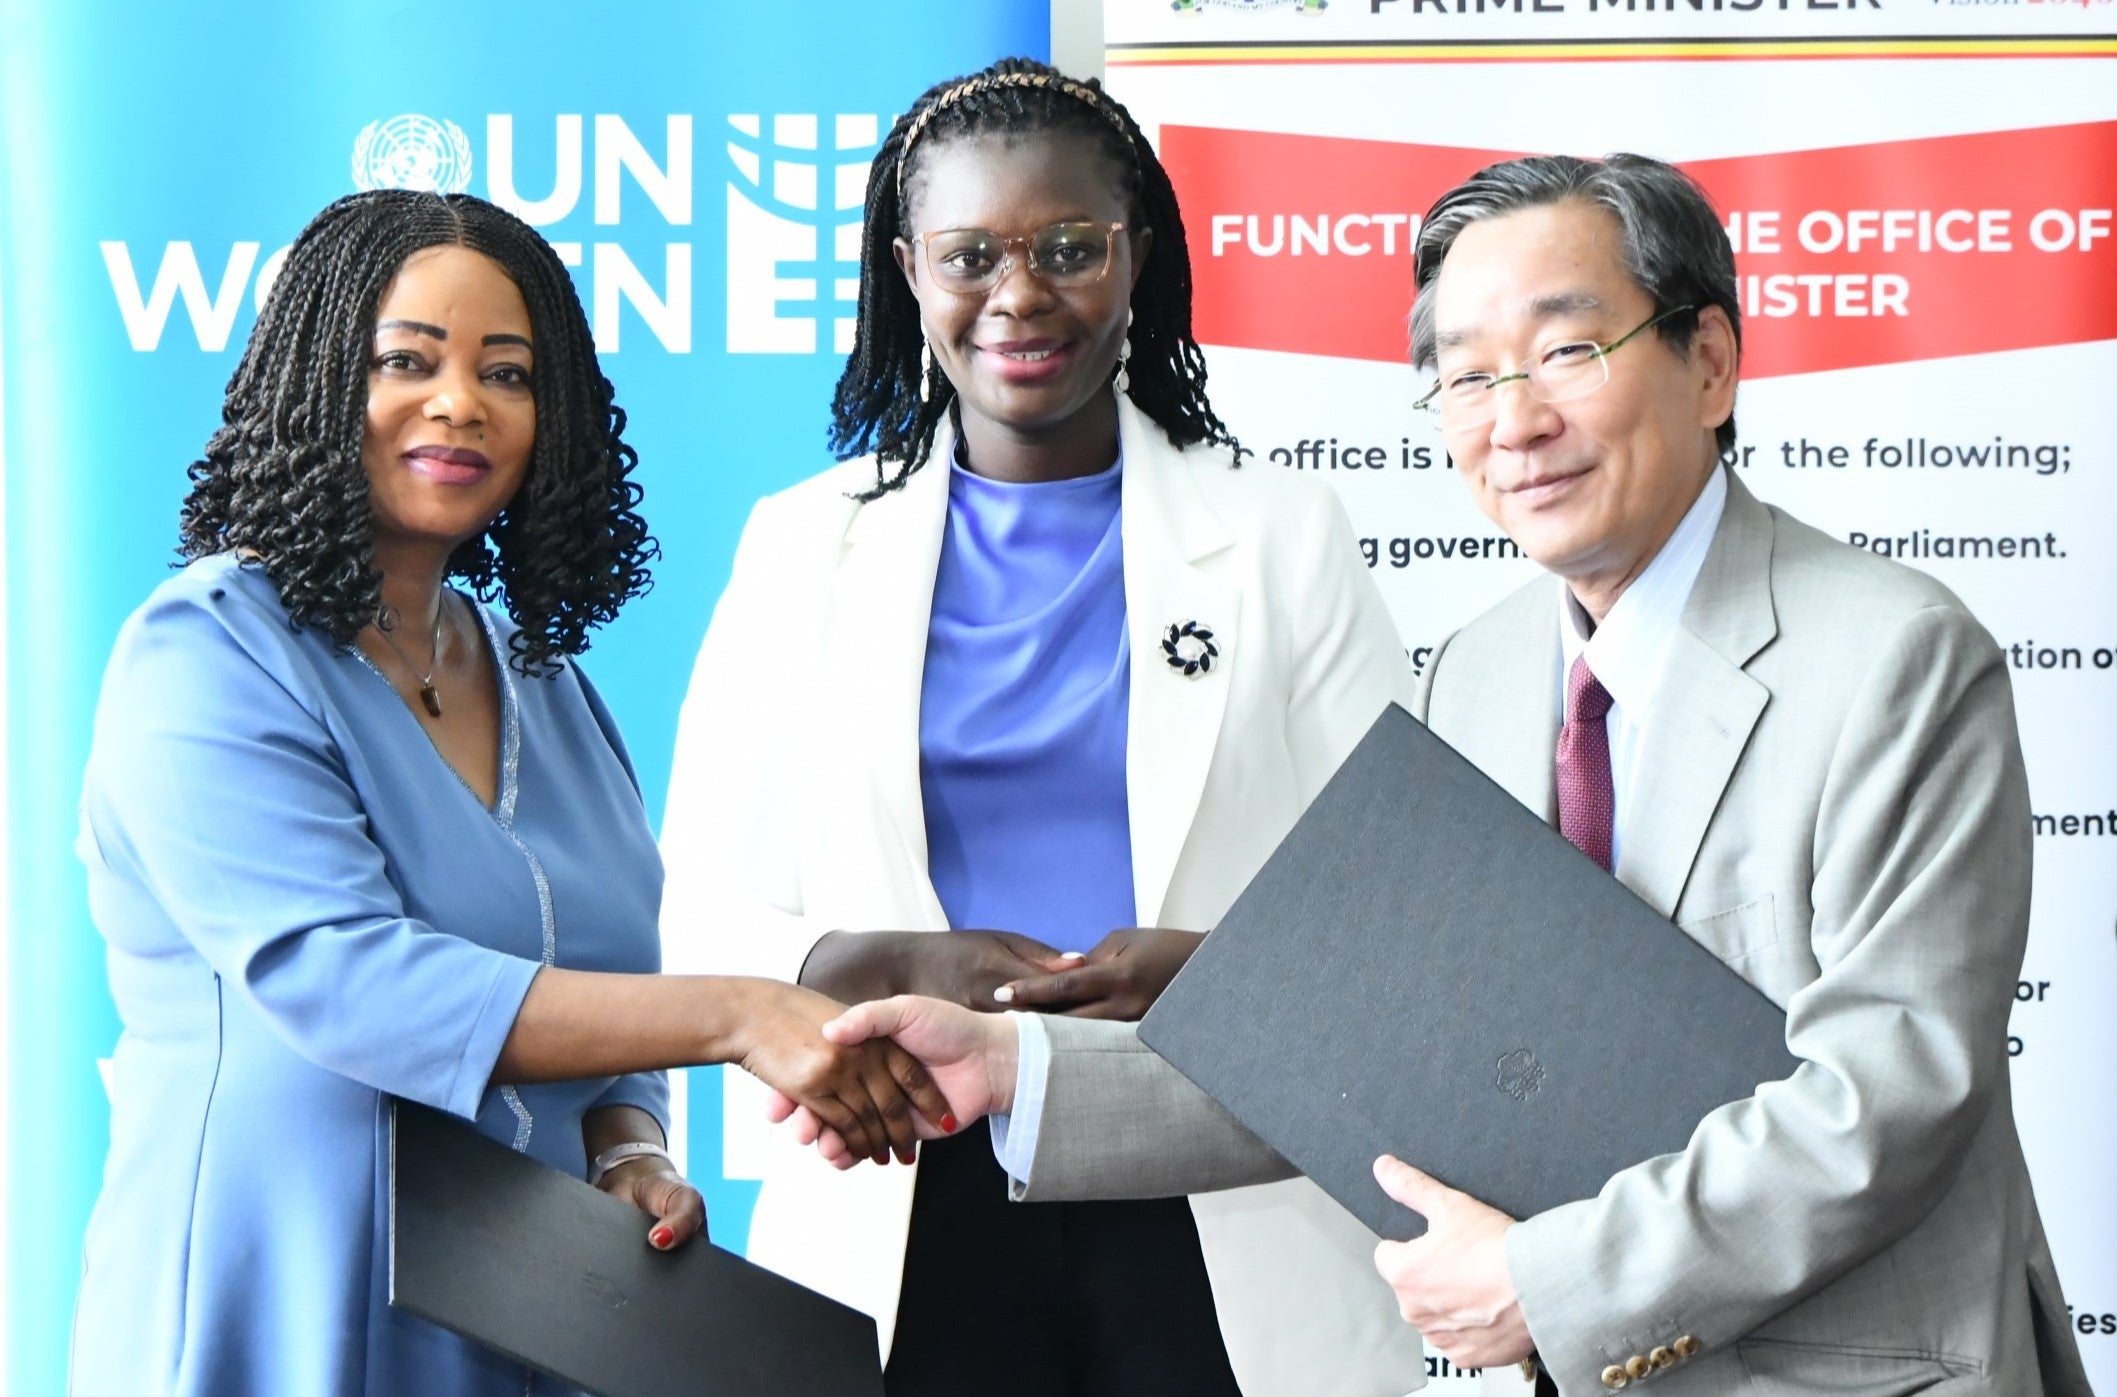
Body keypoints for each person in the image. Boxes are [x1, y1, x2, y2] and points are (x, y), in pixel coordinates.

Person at [804, 154, 2095, 1396]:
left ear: (1708, 362)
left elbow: (1890, 1092)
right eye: (1465, 378)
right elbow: (1368, 1056)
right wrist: (1010, 1067)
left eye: (1564, 352)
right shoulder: (1471, 677)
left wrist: (1550, 1281)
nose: (1515, 419)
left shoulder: (1895, 657)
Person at [71, 189, 948, 1397]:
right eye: (406, 360)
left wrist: (626, 1150)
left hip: (519, 1320)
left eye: (507, 372)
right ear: (318, 380)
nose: (460, 404)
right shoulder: (210, 650)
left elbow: (611, 973)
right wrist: (743, 1014)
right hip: (281, 1304)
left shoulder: (544, 682)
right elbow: (348, 979)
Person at [658, 57, 1422, 1397]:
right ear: (907, 270)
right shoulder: (803, 548)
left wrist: (1206, 966)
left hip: (1211, 1169)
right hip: (900, 1176)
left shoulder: (1276, 534)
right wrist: (873, 955)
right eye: (970, 254)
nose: (1019, 295)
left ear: (1135, 259)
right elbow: (692, 913)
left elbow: (1406, 898)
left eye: (1069, 246)